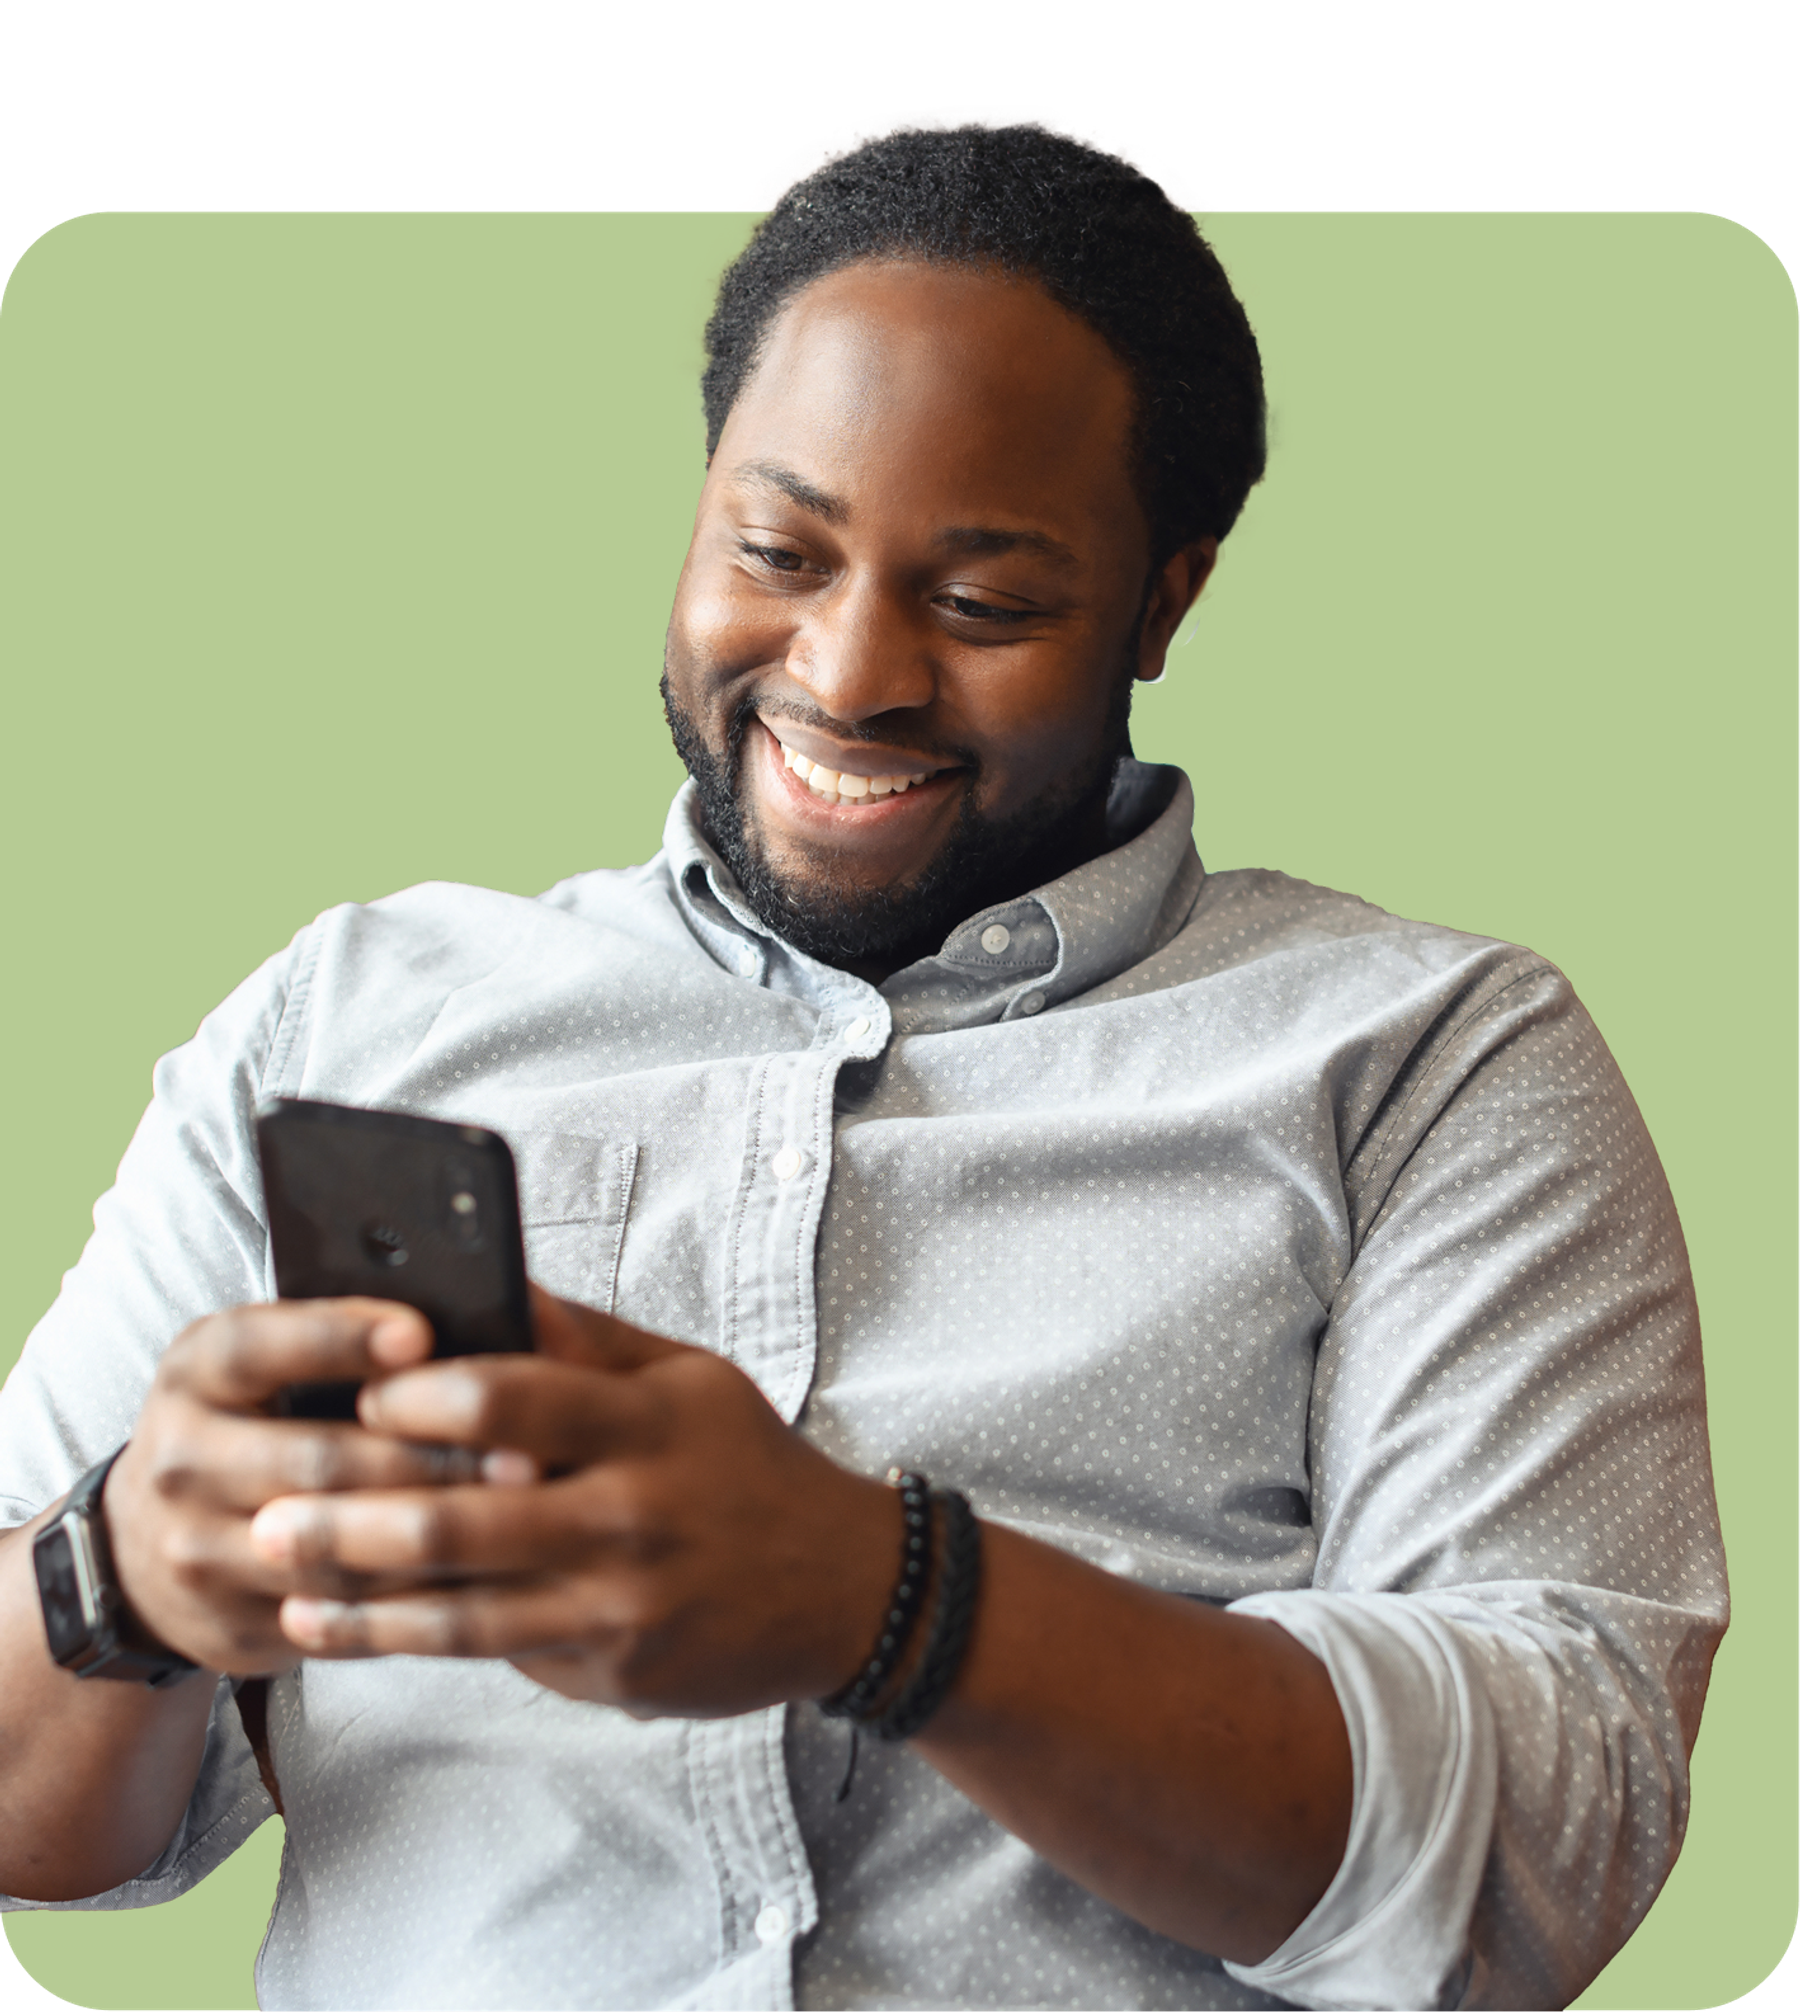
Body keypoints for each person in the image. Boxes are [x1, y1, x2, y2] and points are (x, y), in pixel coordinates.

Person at [0, 124, 1727, 2012]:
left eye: (982, 604)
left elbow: (1545, 1861)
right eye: (776, 550)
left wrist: (892, 1603)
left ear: (1166, 601)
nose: (847, 672)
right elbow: (38, 1821)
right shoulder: (346, 1020)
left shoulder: (1432, 1061)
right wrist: (123, 1574)